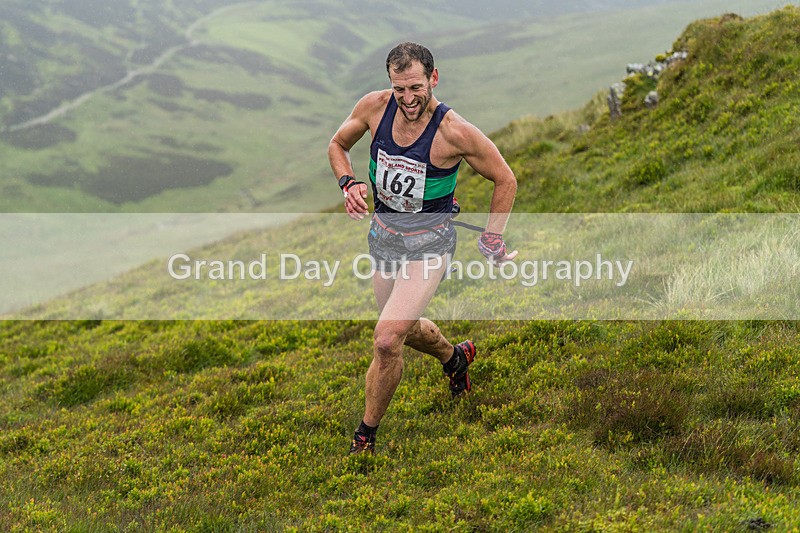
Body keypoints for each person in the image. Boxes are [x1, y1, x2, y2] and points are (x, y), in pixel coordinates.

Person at [327, 42, 517, 455]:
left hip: (429, 246)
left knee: (385, 339)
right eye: (399, 90)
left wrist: (492, 238)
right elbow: (337, 146)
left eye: (416, 87)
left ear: (433, 78)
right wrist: (349, 183)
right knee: (404, 328)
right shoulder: (374, 108)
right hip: (383, 239)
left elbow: (506, 179)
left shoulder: (455, 132)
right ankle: (454, 358)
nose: (409, 100)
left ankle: (365, 437)